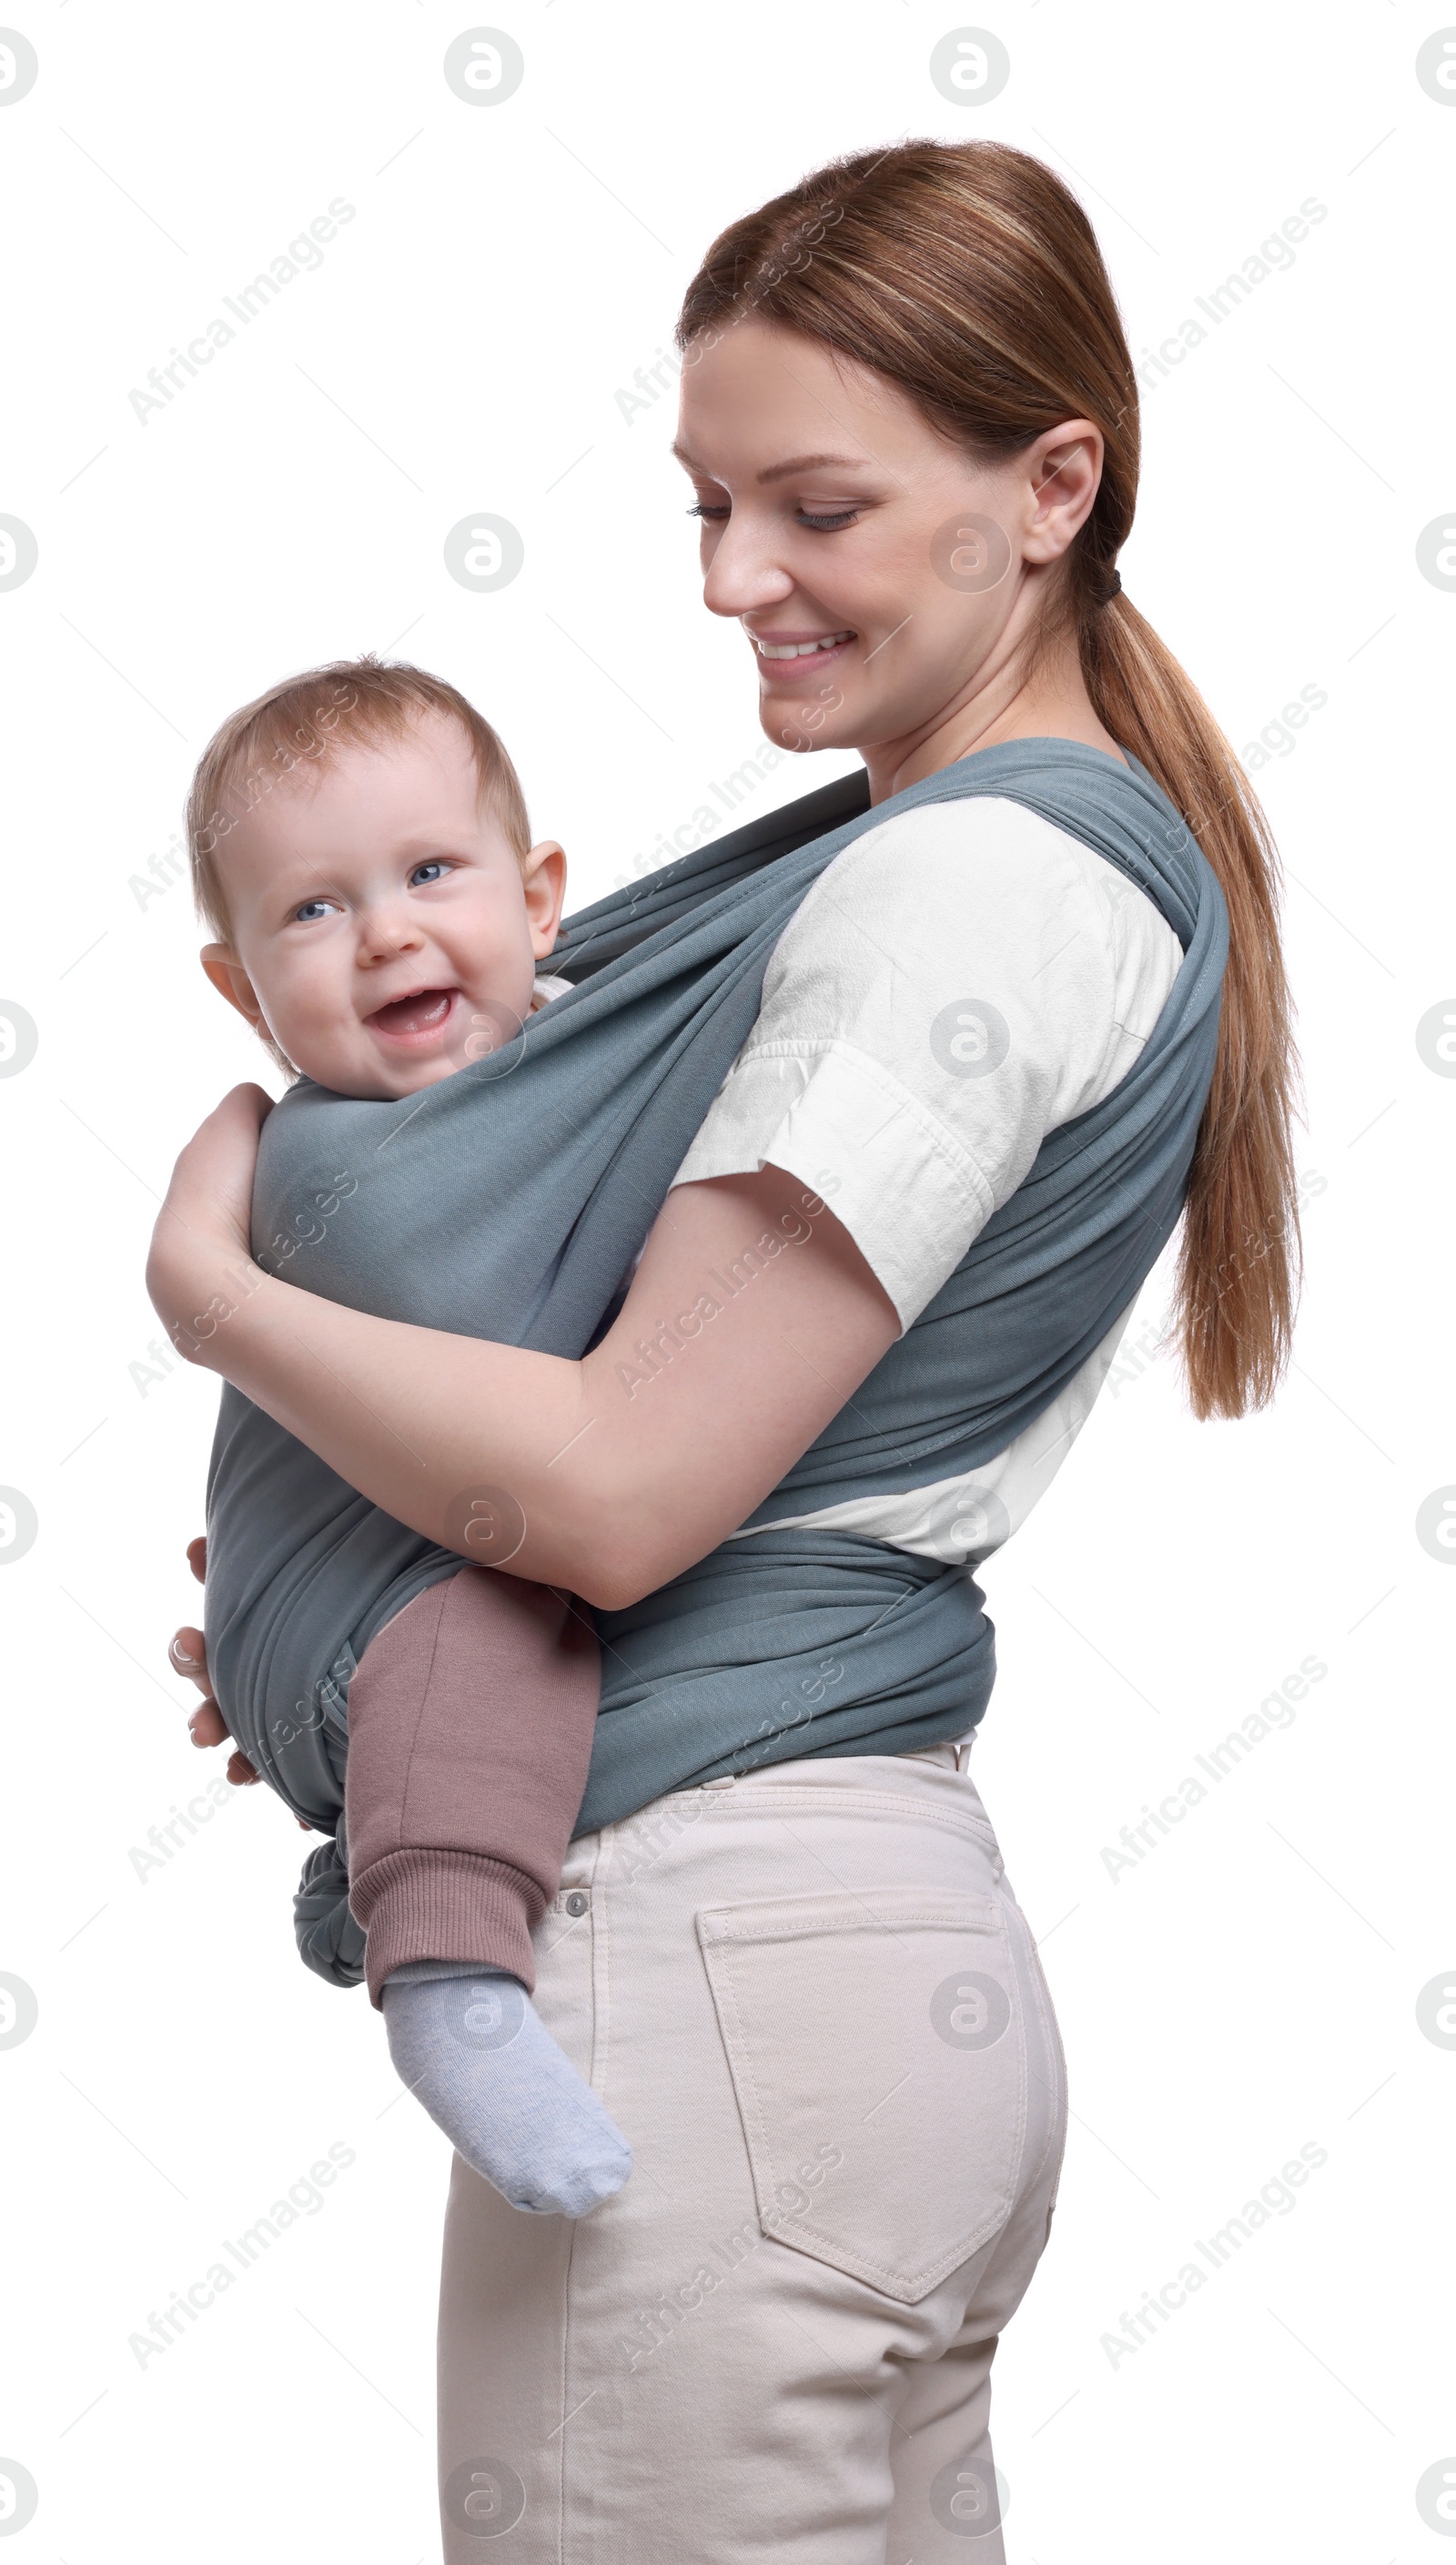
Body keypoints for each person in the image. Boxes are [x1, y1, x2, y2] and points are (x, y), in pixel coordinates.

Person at [154, 138, 1298, 2565]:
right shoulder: (977, 848)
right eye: (705, 505)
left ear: (1051, 488)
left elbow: (613, 1490)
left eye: (813, 505)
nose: (732, 582)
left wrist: (226, 1297)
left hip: (705, 1966)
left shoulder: (975, 881)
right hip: (841, 1989)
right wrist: (332, 1609)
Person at [176, 655, 634, 2216]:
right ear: (242, 990)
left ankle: (361, 1880)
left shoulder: (580, 1055)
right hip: (371, 1614)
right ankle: (444, 1981)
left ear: (542, 897)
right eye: (309, 911)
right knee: (502, 1616)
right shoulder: (335, 1160)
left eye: (432, 871)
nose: (384, 932)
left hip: (325, 1622)